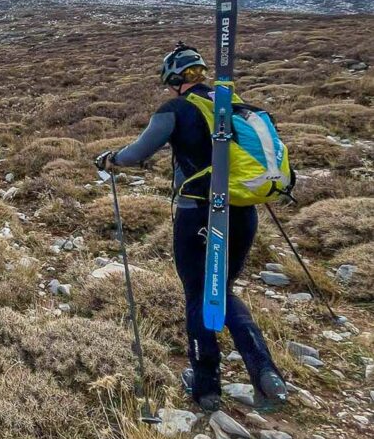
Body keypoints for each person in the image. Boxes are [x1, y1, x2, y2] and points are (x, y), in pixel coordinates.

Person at [95, 43, 288, 413]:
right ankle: (264, 370)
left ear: (172, 79)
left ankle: (206, 387)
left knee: (199, 292)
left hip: (198, 214)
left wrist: (110, 159)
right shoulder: (232, 104)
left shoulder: (176, 109)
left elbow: (136, 154)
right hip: (243, 213)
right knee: (223, 288)